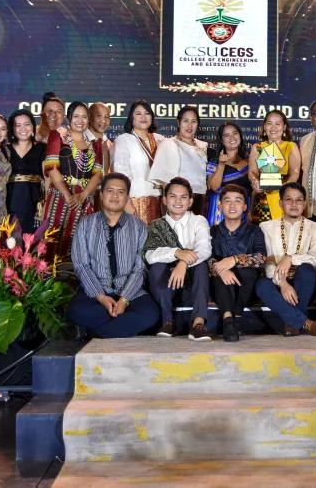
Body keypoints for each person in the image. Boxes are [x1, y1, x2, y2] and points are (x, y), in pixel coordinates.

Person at [68, 173, 160, 338]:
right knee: (77, 311)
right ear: (102, 195)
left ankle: (96, 333)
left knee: (150, 314)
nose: (115, 196)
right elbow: (81, 265)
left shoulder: (139, 227)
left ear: (127, 197)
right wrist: (102, 297)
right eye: (110, 191)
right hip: (95, 293)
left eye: (120, 192)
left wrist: (123, 300)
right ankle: (119, 327)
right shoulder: (85, 224)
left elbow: (140, 268)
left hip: (130, 293)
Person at [254, 183, 316, 336]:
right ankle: (303, 323)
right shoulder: (266, 227)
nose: (294, 204)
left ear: (305, 204)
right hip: (276, 281)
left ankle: (292, 323)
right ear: (280, 203)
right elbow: (267, 262)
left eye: (299, 200)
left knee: (307, 269)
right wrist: (282, 283)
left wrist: (291, 258)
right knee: (261, 285)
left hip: (304, 283)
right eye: (289, 200)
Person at [143, 177, 213, 341]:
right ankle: (168, 322)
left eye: (183, 197)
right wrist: (176, 253)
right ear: (165, 200)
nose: (178, 201)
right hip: (166, 285)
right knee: (157, 266)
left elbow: (204, 250)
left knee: (201, 266)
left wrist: (183, 262)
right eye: (173, 196)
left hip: (192, 282)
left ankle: (198, 324)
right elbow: (149, 255)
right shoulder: (156, 225)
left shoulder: (199, 221)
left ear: (190, 201)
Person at [44, 101, 104, 261]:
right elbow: (52, 168)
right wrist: (68, 195)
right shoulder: (57, 137)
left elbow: (97, 175)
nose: (80, 120)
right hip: (60, 197)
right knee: (54, 241)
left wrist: (82, 196)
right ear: (68, 119)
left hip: (84, 198)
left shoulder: (95, 145)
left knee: (81, 243)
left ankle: (77, 276)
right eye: (76, 116)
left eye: (84, 117)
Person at [208, 184, 266, 342]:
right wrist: (222, 269)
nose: (232, 205)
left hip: (246, 289)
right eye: (227, 201)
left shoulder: (254, 231)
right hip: (218, 287)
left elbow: (261, 258)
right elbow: (206, 258)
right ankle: (229, 320)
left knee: (248, 271)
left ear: (245, 206)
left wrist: (234, 260)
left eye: (238, 201)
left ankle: (236, 316)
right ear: (220, 206)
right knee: (219, 274)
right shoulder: (212, 232)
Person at [149, 106, 209, 215]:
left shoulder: (202, 146)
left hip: (200, 201)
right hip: (178, 201)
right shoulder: (169, 144)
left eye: (193, 121)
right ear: (178, 123)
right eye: (185, 121)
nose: (189, 125)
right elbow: (166, 181)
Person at [113, 100, 165, 224]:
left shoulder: (161, 140)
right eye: (138, 113)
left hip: (161, 202)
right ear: (131, 117)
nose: (143, 117)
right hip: (136, 201)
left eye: (147, 113)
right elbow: (121, 173)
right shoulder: (124, 140)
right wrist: (126, 202)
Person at [247, 110, 300, 223]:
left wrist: (286, 187)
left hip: (284, 199)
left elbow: (295, 172)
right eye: (269, 123)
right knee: (261, 231)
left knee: (283, 231)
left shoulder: (290, 146)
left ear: (284, 127)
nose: (273, 127)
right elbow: (252, 172)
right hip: (262, 199)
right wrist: (255, 182)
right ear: (264, 127)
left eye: (278, 123)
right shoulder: (257, 147)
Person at [5, 109, 46, 236]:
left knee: (33, 242)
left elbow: (48, 179)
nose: (23, 128)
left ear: (33, 126)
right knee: (10, 241)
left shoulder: (42, 148)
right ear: (12, 129)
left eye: (27, 124)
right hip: (9, 202)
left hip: (35, 204)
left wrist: (46, 204)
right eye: (18, 125)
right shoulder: (5, 149)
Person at [205, 122, 252, 225]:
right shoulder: (214, 162)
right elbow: (214, 186)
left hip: (246, 212)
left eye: (235, 133)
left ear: (240, 136)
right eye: (227, 135)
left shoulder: (250, 160)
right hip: (219, 214)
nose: (232, 137)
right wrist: (221, 164)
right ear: (222, 140)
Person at [88, 102, 114, 175]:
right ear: (89, 117)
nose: (104, 120)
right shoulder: (79, 140)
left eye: (107, 117)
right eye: (99, 115)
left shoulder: (110, 145)